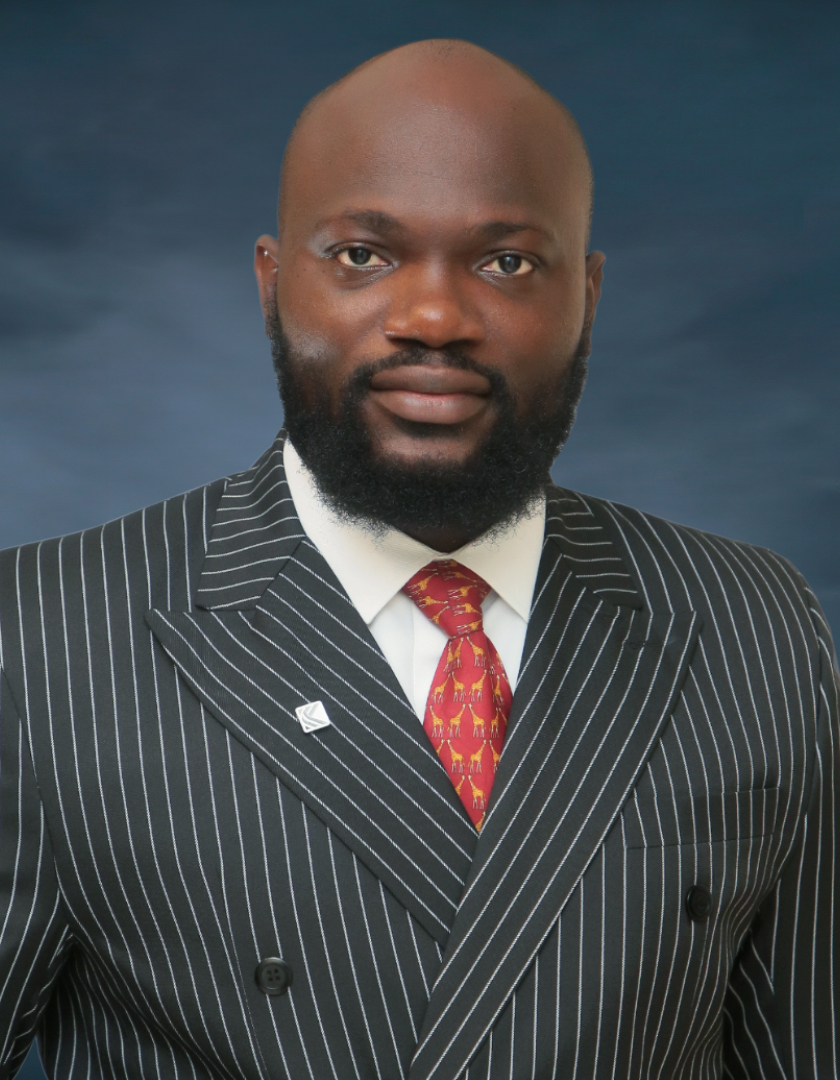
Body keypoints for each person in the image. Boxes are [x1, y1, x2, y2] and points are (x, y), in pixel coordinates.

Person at [0, 37, 837, 1080]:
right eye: (363, 255)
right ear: (271, 284)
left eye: (506, 262)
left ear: (588, 293)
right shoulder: (38, 644)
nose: (433, 318)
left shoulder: (753, 623)